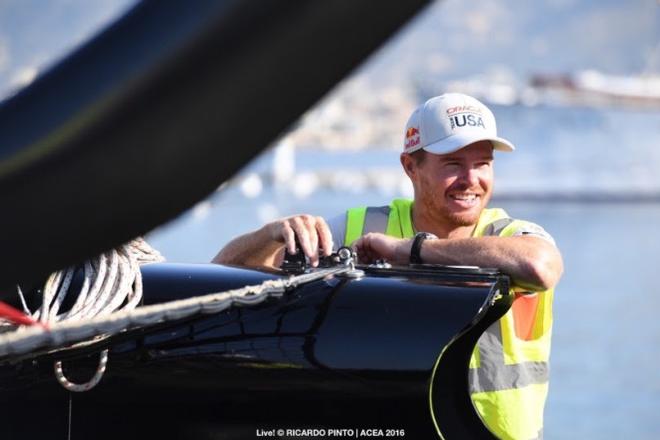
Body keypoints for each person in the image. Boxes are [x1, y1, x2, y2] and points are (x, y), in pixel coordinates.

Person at [213, 93, 563, 439]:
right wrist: (269, 235)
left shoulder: (512, 237)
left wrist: (410, 251)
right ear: (410, 167)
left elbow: (541, 267)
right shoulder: (360, 227)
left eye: (483, 163)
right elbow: (224, 276)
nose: (471, 180)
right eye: (453, 164)